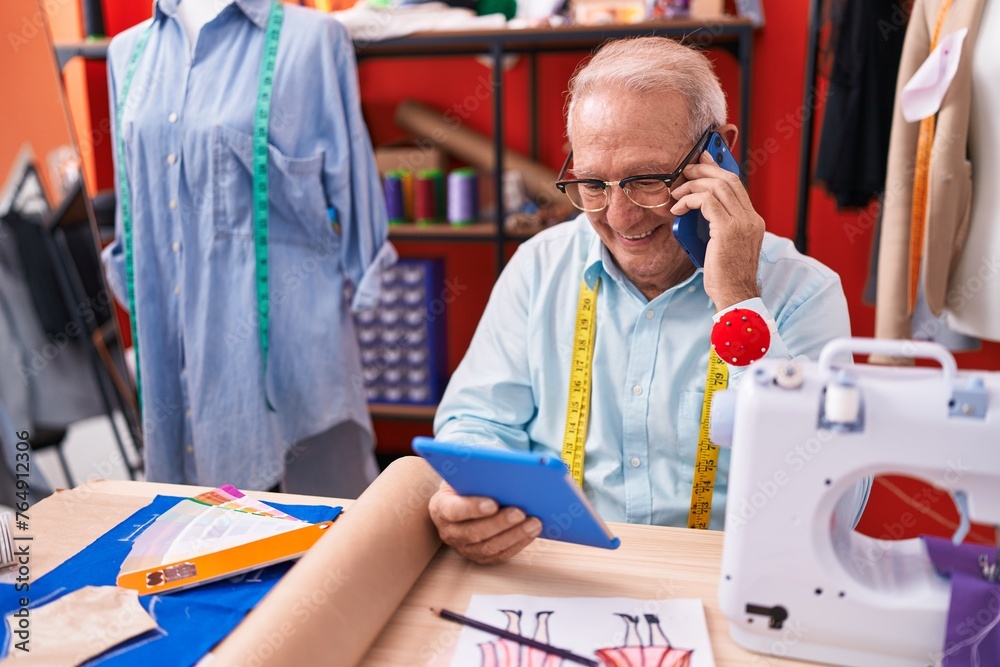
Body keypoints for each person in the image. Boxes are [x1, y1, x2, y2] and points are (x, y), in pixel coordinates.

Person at [428, 37, 862, 564]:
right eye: (592, 183)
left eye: (645, 180)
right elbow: (480, 421)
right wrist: (476, 499)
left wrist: (739, 302)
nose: (619, 216)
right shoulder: (538, 268)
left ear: (718, 153)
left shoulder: (801, 292)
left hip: (729, 581)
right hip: (562, 573)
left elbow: (834, 497)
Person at [102, 0, 394, 496]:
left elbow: (354, 189)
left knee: (313, 549)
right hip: (167, 349)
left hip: (286, 359)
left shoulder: (313, 42)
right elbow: (131, 202)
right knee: (191, 543)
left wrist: (364, 270)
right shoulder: (125, 53)